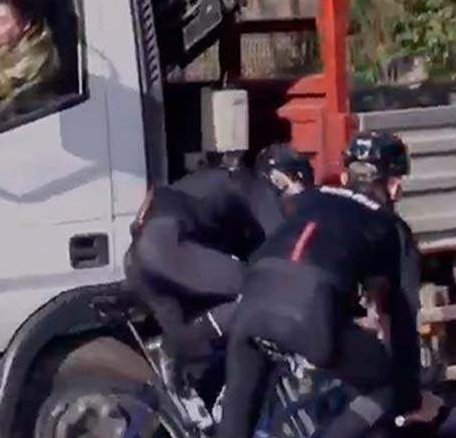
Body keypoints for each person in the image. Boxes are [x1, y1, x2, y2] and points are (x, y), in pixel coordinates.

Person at [176, 131, 443, 438]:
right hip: (309, 315)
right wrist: (411, 398)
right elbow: (401, 321)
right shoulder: (392, 229)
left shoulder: (308, 200)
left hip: (252, 304)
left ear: (346, 172)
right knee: (384, 388)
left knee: (232, 437)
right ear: (394, 184)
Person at [124, 143, 315, 374]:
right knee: (262, 292)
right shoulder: (255, 187)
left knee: (190, 348)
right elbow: (283, 245)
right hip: (165, 245)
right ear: (282, 178)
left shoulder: (223, 181)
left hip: (140, 260)